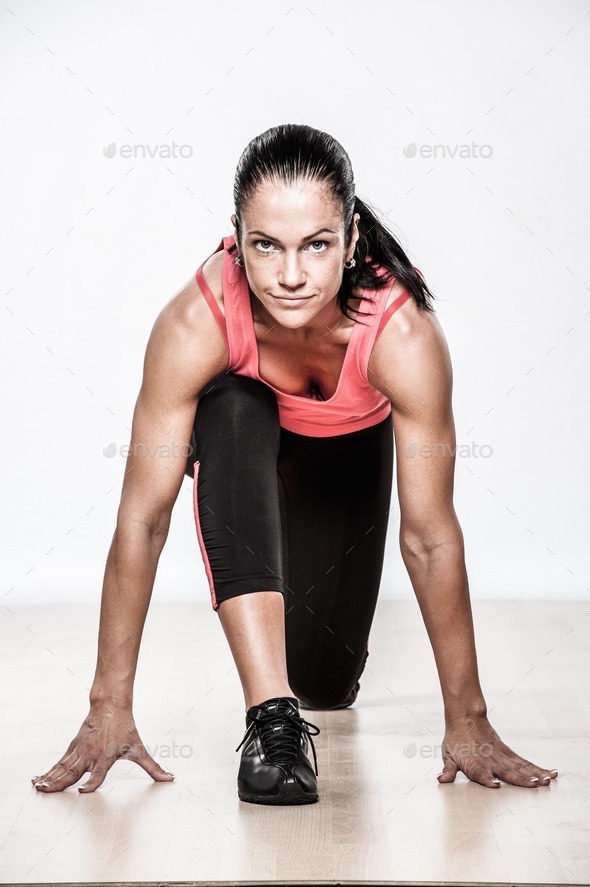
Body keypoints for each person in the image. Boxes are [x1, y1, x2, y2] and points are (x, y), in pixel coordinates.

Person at [31, 123, 558, 805]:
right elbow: (144, 517)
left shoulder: (401, 331)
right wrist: (108, 704)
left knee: (328, 685)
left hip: (343, 465)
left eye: (315, 245)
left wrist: (469, 719)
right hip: (241, 459)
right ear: (236, 237)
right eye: (265, 245)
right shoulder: (198, 321)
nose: (289, 274)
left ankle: (301, 692)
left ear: (352, 235)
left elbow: (428, 536)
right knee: (233, 405)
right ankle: (271, 719)